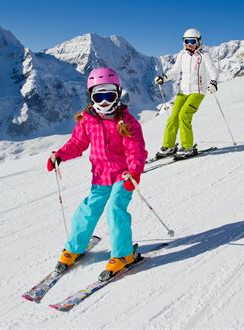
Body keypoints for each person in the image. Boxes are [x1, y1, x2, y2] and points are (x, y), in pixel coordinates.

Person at [46, 67, 148, 280]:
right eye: (98, 96)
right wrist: (61, 155)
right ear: (90, 96)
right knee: (87, 209)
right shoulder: (87, 119)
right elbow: (78, 142)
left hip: (124, 176)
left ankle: (124, 255)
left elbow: (135, 149)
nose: (104, 102)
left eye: (108, 95)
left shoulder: (127, 121)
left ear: (118, 94)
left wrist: (134, 172)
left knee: (115, 209)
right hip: (100, 175)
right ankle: (74, 248)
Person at [154, 28, 219, 159]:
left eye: (192, 41)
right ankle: (169, 145)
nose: (190, 44)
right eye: (187, 41)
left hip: (197, 92)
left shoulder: (204, 55)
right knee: (173, 118)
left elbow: (213, 70)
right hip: (183, 92)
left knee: (184, 115)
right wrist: (164, 77)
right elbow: (175, 70)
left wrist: (213, 83)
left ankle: (187, 147)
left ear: (199, 41)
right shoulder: (182, 55)